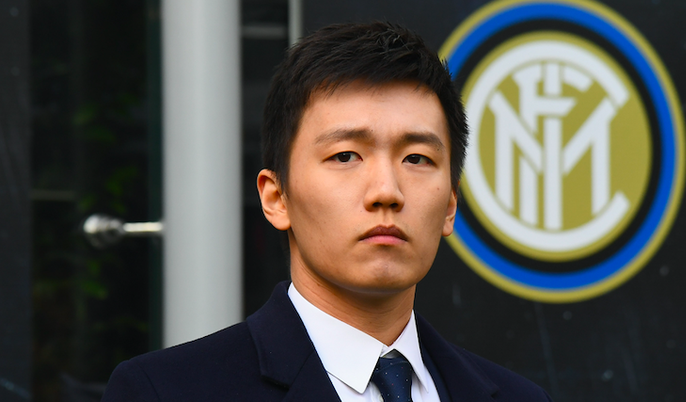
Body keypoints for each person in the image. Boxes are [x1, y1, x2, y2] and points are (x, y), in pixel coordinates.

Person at [102, 21, 553, 402]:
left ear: (450, 205)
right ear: (276, 198)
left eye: (416, 158)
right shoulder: (166, 391)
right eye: (345, 156)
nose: (387, 191)